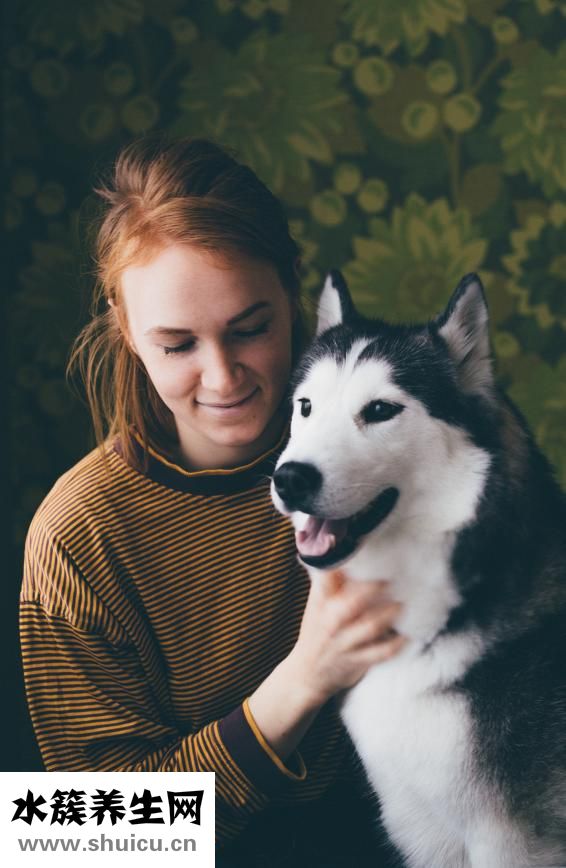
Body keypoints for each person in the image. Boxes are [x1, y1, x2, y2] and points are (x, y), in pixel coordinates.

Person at [19, 137, 405, 866]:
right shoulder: (78, 537)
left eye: (250, 329)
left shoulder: (388, 433)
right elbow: (85, 840)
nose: (223, 378)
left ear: (292, 288)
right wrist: (304, 679)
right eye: (177, 345)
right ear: (126, 329)